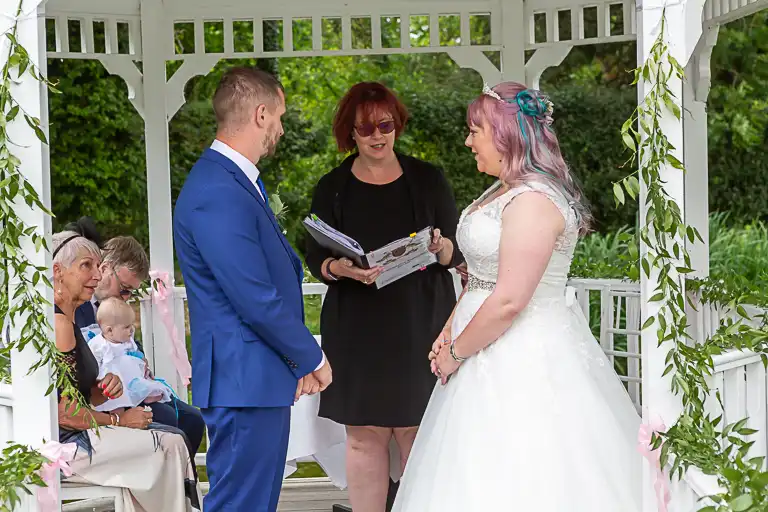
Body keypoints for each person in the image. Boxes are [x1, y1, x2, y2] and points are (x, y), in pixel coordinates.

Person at [391, 82, 642, 511]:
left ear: (505, 133)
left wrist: (455, 351)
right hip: (476, 350)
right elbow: (482, 279)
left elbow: (510, 300)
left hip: (523, 359)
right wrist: (449, 329)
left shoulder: (534, 202)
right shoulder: (499, 192)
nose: (468, 141)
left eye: (476, 130)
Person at [173, 67, 333, 512]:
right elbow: (253, 295)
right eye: (279, 117)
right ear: (261, 114)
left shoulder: (235, 183)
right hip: (242, 380)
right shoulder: (217, 190)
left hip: (254, 377)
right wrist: (310, 356)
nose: (280, 129)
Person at [305, 81, 462, 512]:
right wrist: (341, 268)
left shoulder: (429, 180)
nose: (377, 136)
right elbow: (315, 254)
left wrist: (439, 247)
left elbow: (457, 251)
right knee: (363, 435)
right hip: (358, 325)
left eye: (385, 125)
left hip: (421, 323)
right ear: (349, 134)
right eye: (365, 129)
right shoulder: (332, 186)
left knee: (417, 431)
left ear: (397, 125)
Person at [52, 229, 200, 512]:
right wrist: (120, 419)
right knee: (168, 444)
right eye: (87, 266)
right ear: (58, 272)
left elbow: (72, 393)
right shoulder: (60, 325)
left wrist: (101, 388)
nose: (96, 275)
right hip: (69, 446)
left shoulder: (69, 319)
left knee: (172, 438)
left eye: (98, 266)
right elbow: (64, 414)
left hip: (82, 430)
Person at [71, 226, 206, 463]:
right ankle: (154, 488)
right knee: (165, 418)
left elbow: (129, 340)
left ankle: (183, 488)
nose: (125, 298)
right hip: (102, 395)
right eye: (124, 290)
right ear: (105, 268)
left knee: (193, 419)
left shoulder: (114, 306)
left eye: (130, 293)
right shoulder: (78, 304)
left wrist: (139, 361)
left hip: (129, 384)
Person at [88, 297, 173, 412]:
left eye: (131, 325)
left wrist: (143, 361)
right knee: (116, 401)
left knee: (141, 384)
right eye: (127, 327)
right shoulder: (99, 345)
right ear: (110, 331)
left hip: (130, 377)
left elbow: (135, 353)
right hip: (112, 384)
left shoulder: (127, 340)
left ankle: (146, 395)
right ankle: (118, 413)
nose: (132, 330)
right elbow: (92, 365)